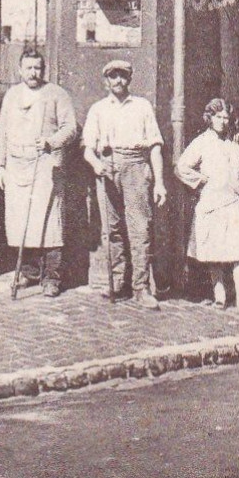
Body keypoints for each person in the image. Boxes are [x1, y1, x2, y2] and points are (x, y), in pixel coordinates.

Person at [81, 59, 166, 308]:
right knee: (112, 228)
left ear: (129, 79)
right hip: (107, 166)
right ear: (106, 81)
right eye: (113, 76)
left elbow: (155, 146)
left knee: (140, 228)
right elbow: (87, 147)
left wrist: (159, 182)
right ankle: (117, 282)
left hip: (136, 167)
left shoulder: (142, 106)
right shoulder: (98, 109)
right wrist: (97, 164)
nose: (118, 80)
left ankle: (141, 287)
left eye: (122, 76)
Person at [0, 50, 78, 297]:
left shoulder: (56, 94)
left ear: (44, 70)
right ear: (20, 70)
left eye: (37, 68)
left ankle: (51, 278)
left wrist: (51, 141)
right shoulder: (11, 95)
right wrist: (0, 165)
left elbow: (71, 128)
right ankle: (29, 272)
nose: (33, 73)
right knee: (22, 221)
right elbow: (2, 132)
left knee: (49, 222)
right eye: (28, 68)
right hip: (17, 166)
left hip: (46, 166)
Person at [176, 98, 239, 312]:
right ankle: (220, 296)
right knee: (215, 253)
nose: (223, 121)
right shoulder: (202, 141)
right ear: (210, 118)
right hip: (212, 203)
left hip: (235, 204)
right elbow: (181, 167)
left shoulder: (236, 144)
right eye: (218, 117)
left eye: (226, 117)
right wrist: (201, 180)